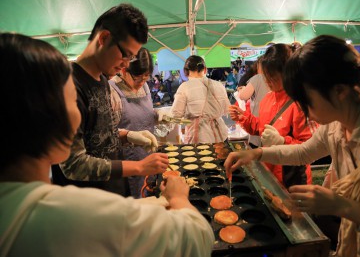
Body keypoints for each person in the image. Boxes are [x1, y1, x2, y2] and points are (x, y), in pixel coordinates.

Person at [0, 32, 215, 257]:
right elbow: (196, 237)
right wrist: (179, 197)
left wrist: (126, 135)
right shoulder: (81, 216)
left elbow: (103, 132)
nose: (79, 116)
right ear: (46, 116)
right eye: (72, 100)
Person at [225, 35, 360, 256]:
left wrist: (342, 207)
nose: (302, 108)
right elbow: (304, 152)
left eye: (305, 99)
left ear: (339, 91)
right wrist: (257, 153)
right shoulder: (337, 123)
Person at [52, 4, 168, 197]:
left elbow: (98, 136)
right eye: (126, 55)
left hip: (113, 194)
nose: (126, 64)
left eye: (131, 58)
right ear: (104, 38)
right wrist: (138, 167)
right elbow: (73, 164)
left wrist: (127, 135)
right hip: (86, 204)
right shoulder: (67, 86)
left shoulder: (103, 81)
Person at [229, 44, 315, 187]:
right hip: (268, 170)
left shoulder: (300, 102)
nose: (267, 82)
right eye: (265, 76)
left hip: (291, 177)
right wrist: (243, 117)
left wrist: (282, 141)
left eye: (273, 77)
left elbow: (310, 149)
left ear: (288, 73)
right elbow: (260, 128)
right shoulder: (269, 98)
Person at [109, 48, 166, 198]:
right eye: (137, 78)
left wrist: (156, 115)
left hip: (148, 154)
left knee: (151, 193)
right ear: (124, 69)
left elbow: (143, 114)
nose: (142, 82)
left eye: (146, 78)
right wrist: (128, 135)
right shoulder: (112, 90)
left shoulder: (145, 87)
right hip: (128, 160)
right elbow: (106, 132)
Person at [170, 55, 230, 143]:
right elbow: (227, 110)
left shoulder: (184, 87)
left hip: (198, 137)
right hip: (221, 136)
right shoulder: (219, 85)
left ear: (185, 71)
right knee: (223, 156)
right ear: (205, 69)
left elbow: (176, 115)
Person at [237, 57, 270, 148]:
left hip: (258, 121)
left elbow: (243, 96)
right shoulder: (278, 79)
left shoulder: (258, 78)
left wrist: (242, 89)